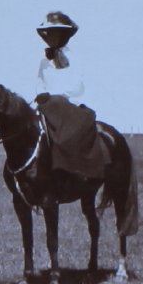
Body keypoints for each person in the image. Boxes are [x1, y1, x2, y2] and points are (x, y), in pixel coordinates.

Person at [34, 11, 109, 178]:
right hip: (48, 105)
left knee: (68, 132)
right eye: (50, 33)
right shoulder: (44, 61)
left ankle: (73, 172)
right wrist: (42, 95)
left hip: (71, 105)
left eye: (56, 32)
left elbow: (76, 86)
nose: (52, 36)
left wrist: (56, 96)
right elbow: (40, 83)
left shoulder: (75, 58)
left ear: (64, 34)